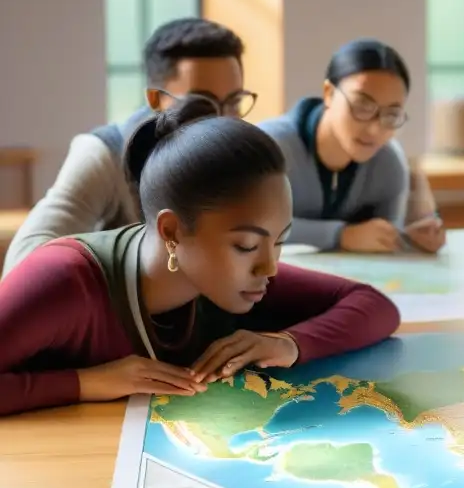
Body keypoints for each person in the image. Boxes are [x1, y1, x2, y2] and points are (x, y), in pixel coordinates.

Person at [0, 96, 401, 418]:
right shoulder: (62, 279)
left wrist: (286, 343)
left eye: (279, 242)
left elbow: (375, 306)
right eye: (246, 246)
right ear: (172, 232)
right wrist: (90, 382)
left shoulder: (228, 277)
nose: (270, 267)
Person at [2, 17, 255, 278]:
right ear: (156, 99)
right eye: (203, 104)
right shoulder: (106, 154)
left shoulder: (243, 155)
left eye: (234, 102)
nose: (224, 122)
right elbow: (24, 264)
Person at [260, 38, 445, 255]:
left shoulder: (389, 162)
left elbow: (384, 238)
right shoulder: (268, 148)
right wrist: (341, 234)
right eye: (362, 106)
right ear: (328, 93)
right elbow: (247, 223)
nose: (375, 130)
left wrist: (409, 237)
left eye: (392, 114)